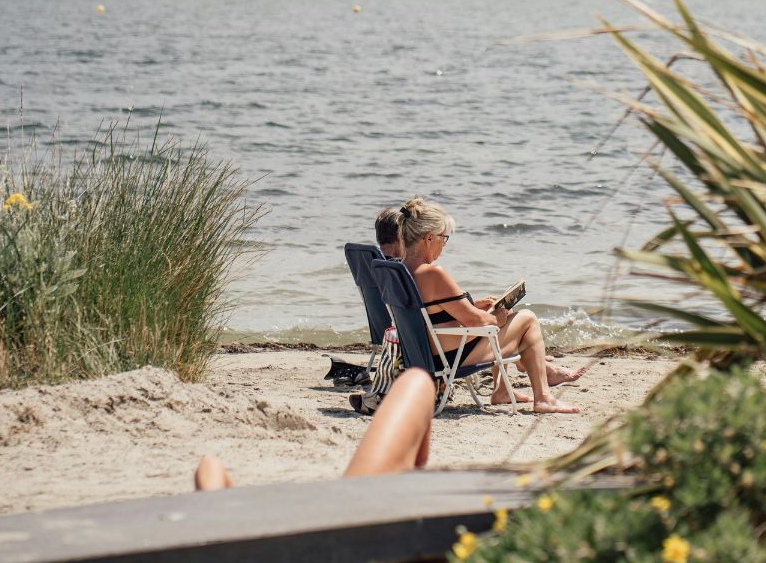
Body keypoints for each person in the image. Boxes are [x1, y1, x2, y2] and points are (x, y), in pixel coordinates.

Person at [398, 197, 584, 415]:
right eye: (444, 238)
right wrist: (495, 318)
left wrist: (476, 307)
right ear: (430, 238)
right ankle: (543, 397)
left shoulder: (399, 270)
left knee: (500, 313)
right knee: (527, 319)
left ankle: (503, 390)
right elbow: (473, 321)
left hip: (423, 355)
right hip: (451, 358)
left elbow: (431, 313)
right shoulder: (433, 273)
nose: (444, 245)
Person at [195, 368, 435, 490]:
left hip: (352, 518)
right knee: (415, 380)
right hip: (351, 520)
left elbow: (209, 467)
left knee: (208, 465)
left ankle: (407, 485)